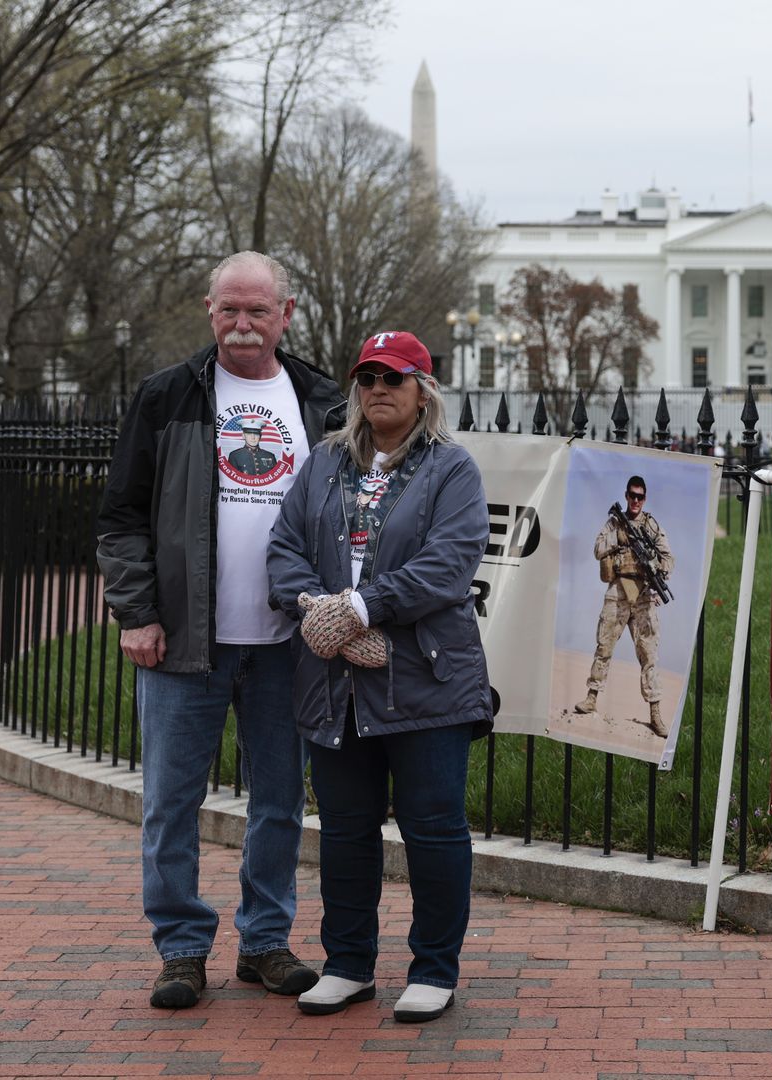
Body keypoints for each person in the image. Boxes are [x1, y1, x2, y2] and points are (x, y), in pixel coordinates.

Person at [95, 251, 343, 1009]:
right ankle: (180, 947)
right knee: (172, 801)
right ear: (210, 310)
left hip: (288, 645)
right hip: (184, 644)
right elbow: (121, 516)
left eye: (257, 311)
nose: (242, 325)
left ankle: (265, 941)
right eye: (229, 310)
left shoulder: (323, 404)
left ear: (285, 315)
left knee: (279, 801)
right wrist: (136, 613)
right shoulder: (167, 397)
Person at [266, 330, 491, 1023]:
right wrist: (314, 609)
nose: (377, 390)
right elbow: (283, 550)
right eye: (366, 378)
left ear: (424, 391)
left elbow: (448, 566)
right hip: (335, 682)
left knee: (432, 827)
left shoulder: (452, 470)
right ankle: (348, 964)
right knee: (344, 827)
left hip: (425, 678)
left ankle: (433, 969)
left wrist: (360, 608)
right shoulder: (324, 464)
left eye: (393, 378)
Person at [572, 474, 675, 739]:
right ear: (626, 495)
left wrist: (659, 575)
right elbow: (597, 549)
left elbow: (668, 557)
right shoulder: (615, 522)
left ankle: (655, 714)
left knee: (649, 656)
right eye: (632, 495)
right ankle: (592, 698)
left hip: (642, 595)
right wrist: (618, 537)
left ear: (645, 498)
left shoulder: (651, 526)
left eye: (640, 496)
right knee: (604, 647)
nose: (636, 501)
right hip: (617, 592)